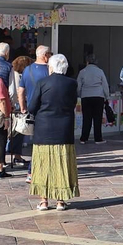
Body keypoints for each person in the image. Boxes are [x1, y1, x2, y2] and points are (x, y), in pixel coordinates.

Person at [28, 54, 80, 210]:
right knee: (61, 165)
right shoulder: (72, 83)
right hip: (64, 129)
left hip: (44, 129)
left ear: (51, 67)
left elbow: (32, 107)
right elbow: (72, 103)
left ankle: (43, 201)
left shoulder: (42, 82)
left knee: (42, 165)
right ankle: (60, 201)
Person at [76, 54, 110, 143]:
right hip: (98, 96)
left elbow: (78, 86)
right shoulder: (100, 71)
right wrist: (106, 96)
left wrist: (79, 94)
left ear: (87, 62)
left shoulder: (82, 72)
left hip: (86, 97)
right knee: (97, 118)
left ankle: (83, 138)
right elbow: (105, 85)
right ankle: (98, 138)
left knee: (86, 118)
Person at [7, 55, 32, 170]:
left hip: (16, 104)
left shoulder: (14, 73)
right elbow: (16, 91)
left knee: (16, 132)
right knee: (17, 132)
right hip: (17, 105)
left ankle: (16, 155)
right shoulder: (18, 75)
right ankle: (16, 156)